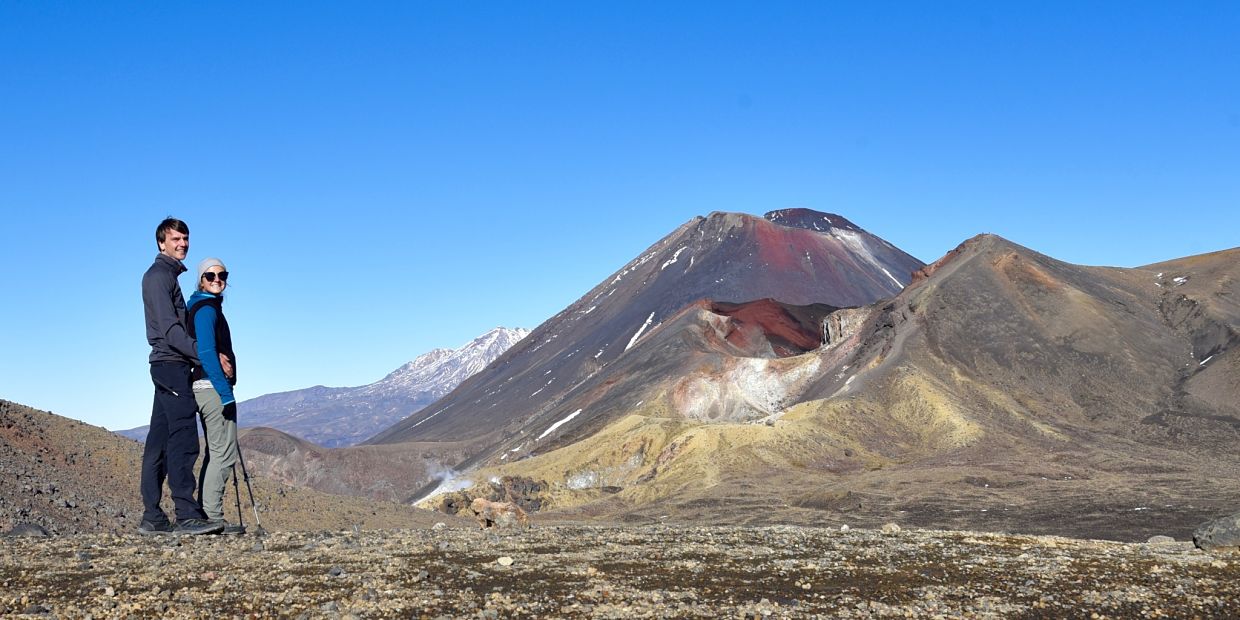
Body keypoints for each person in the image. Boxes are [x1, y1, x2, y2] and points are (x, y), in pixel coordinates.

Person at [139, 218, 224, 535]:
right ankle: (186, 514)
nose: (182, 244)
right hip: (171, 365)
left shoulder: (165, 276)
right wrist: (203, 353)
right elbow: (170, 329)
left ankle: (152, 517)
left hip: (167, 366)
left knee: (158, 443)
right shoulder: (159, 277)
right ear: (161, 243)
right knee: (184, 439)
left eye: (186, 238)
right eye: (176, 239)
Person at [187, 257, 245, 535]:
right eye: (210, 276)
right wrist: (225, 393)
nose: (217, 279)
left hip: (206, 388)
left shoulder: (202, 306)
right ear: (201, 279)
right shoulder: (206, 310)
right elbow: (207, 353)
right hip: (211, 389)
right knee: (223, 453)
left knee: (216, 452)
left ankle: (209, 516)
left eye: (222, 275)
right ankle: (213, 517)